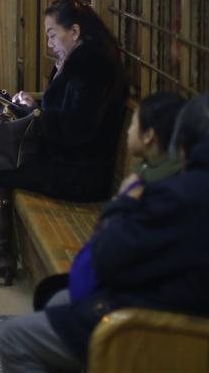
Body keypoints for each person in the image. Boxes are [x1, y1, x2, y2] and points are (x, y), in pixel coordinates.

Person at [0, 92, 209, 373]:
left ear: (185, 145)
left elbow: (109, 259)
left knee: (15, 337)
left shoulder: (187, 195)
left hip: (169, 327)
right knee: (61, 299)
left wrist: (122, 204)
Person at [0, 0, 127, 285]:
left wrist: (34, 114)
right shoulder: (79, 59)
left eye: (52, 34)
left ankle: (1, 255)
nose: (49, 43)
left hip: (83, 174)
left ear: (74, 32)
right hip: (69, 161)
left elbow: (78, 128)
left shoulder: (92, 65)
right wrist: (31, 107)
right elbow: (60, 112)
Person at [32, 91, 188, 311]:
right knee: (51, 294)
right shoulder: (150, 170)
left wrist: (122, 202)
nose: (129, 131)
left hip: (128, 302)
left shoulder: (154, 189)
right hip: (119, 280)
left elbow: (114, 246)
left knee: (24, 326)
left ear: (149, 136)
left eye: (133, 124)